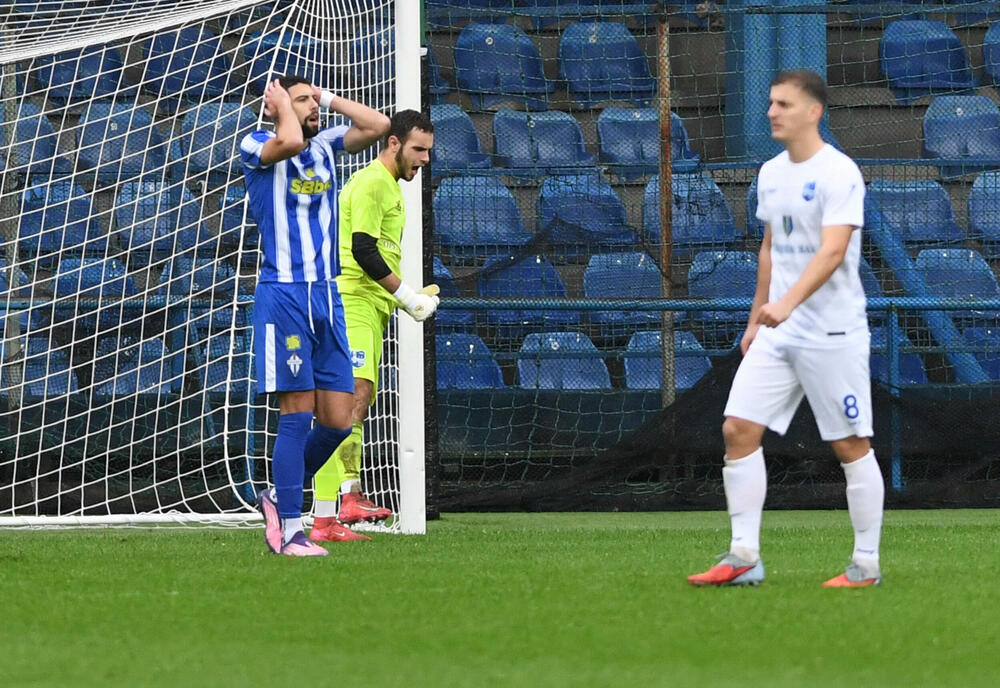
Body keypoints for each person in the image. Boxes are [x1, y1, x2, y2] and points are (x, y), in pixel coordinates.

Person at [687, 69, 884, 588]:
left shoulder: (841, 172)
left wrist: (789, 304)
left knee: (850, 445)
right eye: (771, 103)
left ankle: (866, 563)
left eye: (783, 105)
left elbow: (834, 251)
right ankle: (744, 557)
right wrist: (757, 319)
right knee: (737, 429)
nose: (772, 112)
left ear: (813, 111)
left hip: (832, 332)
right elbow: (771, 248)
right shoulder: (771, 173)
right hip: (778, 332)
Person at [239, 74, 390, 556]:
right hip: (284, 295)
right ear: (274, 105)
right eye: (300, 99)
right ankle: (290, 529)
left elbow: (380, 124)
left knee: (339, 421)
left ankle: (277, 498)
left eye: (313, 100)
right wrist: (283, 106)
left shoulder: (324, 145)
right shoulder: (257, 141)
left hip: (327, 298)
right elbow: (285, 139)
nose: (312, 107)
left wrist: (322, 98)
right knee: (296, 416)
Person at [310, 110, 437, 536]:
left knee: (352, 402)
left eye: (429, 151)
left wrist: (407, 298)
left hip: (369, 304)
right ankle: (342, 498)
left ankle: (337, 505)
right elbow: (363, 249)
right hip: (351, 300)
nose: (424, 159)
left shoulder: (390, 188)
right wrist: (407, 296)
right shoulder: (371, 182)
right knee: (346, 403)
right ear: (395, 143)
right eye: (418, 150)